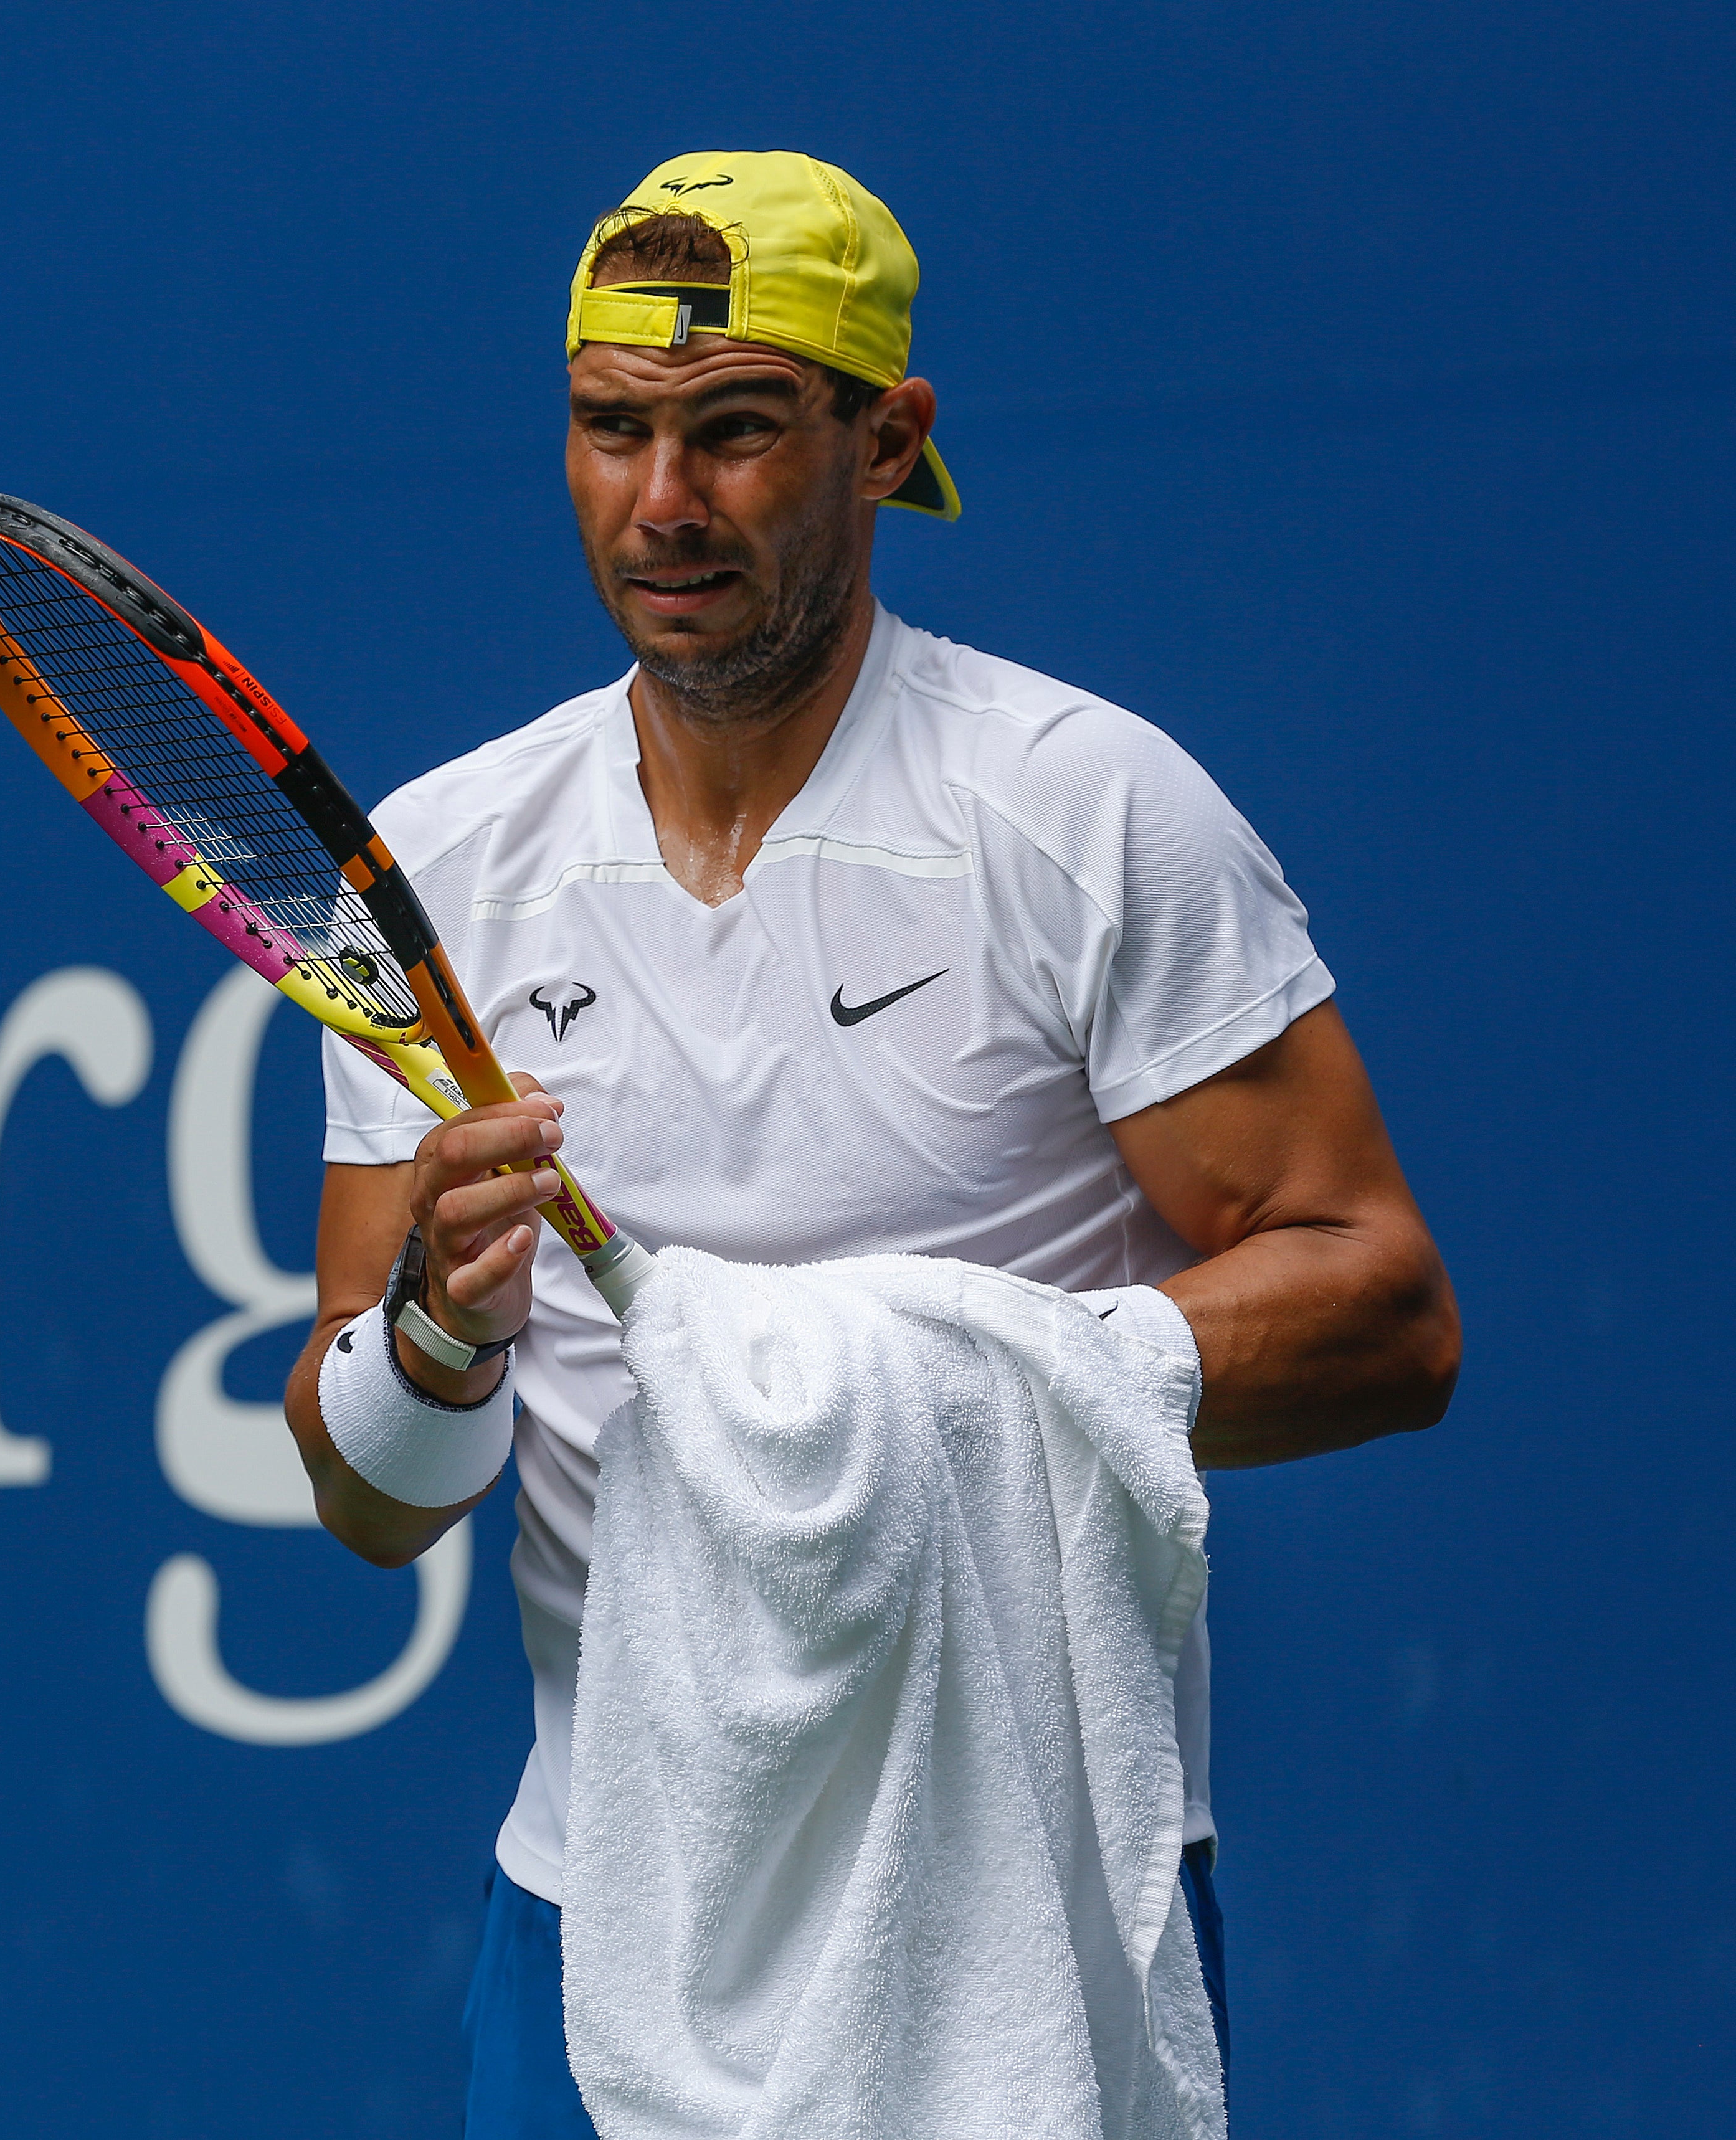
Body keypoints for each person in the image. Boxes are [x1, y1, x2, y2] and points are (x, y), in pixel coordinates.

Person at [280, 151, 1459, 2134]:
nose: (661, 504)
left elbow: (1386, 1312)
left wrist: (964, 1369)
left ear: (886, 441)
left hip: (1033, 1893)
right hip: (600, 1901)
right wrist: (435, 1337)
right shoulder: (437, 865)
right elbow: (375, 1502)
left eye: (735, 433)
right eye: (610, 429)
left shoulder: (1085, 810)